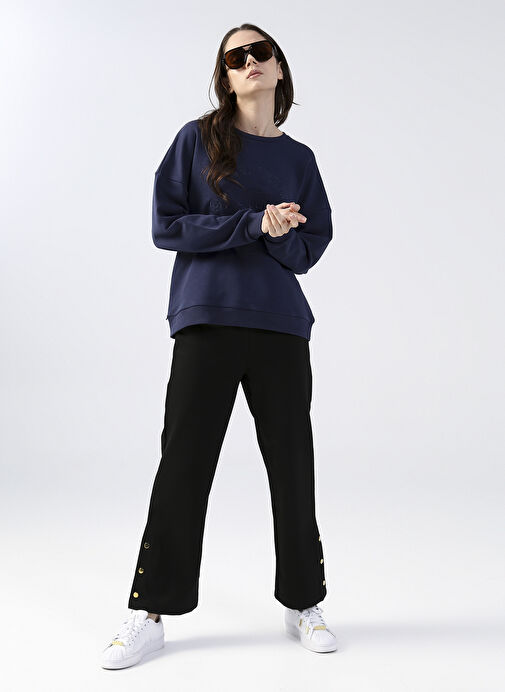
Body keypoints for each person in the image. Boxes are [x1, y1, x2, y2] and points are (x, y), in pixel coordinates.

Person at [100, 23, 337, 670]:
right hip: (206, 317)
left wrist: (279, 233)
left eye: (261, 52)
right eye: (237, 57)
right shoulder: (196, 139)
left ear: (279, 69)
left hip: (281, 324)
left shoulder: (300, 160)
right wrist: (252, 222)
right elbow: (167, 226)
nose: (250, 61)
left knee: (292, 465)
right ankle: (150, 611)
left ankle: (304, 600)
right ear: (226, 77)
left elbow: (309, 249)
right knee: (184, 462)